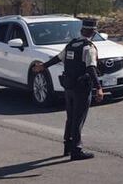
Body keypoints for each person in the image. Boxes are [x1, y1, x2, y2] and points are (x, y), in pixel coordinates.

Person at [34, 18, 105, 160]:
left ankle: (67, 147)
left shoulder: (71, 44)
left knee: (70, 117)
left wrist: (43, 66)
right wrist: (99, 88)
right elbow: (91, 68)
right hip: (82, 88)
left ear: (81, 30)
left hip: (69, 87)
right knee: (78, 119)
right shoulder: (88, 47)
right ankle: (76, 150)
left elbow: (58, 58)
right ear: (93, 32)